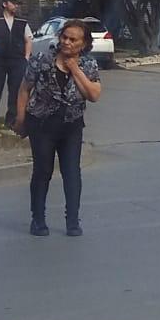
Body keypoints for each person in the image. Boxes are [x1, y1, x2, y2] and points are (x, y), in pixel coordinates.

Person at [15, 19, 102, 237]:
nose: (67, 42)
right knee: (43, 171)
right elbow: (25, 89)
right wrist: (20, 118)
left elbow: (94, 95)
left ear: (83, 44)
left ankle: (72, 221)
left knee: (72, 172)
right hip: (42, 124)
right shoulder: (42, 60)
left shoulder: (89, 65)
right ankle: (38, 219)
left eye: (73, 39)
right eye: (64, 37)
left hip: (71, 126)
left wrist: (75, 69)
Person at [0, 0, 33, 128]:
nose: (16, 5)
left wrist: (26, 58)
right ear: (5, 4)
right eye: (13, 3)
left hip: (17, 60)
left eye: (17, 3)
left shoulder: (22, 22)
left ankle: (11, 121)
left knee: (16, 90)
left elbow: (28, 39)